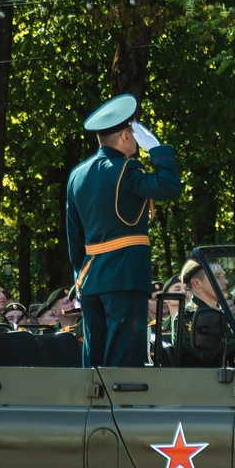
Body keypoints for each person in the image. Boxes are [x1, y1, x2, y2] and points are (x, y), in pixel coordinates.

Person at [64, 93, 182, 368]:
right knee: (124, 361)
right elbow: (169, 187)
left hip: (90, 278)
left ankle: (93, 411)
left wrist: (81, 278)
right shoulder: (128, 169)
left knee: (94, 362)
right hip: (125, 275)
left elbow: (74, 237)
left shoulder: (77, 174)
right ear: (127, 137)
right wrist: (158, 150)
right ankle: (122, 410)